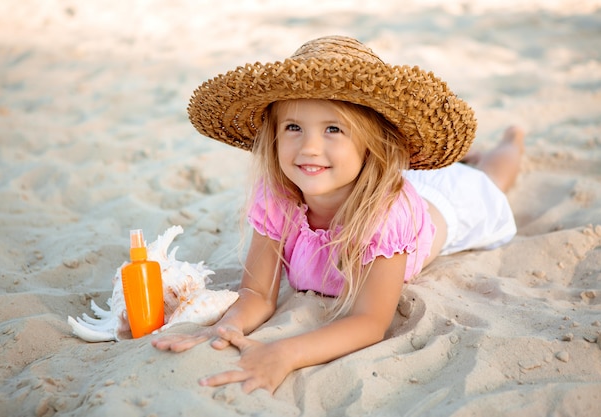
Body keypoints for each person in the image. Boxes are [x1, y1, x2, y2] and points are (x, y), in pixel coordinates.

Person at [151, 35, 524, 394]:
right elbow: (257, 294)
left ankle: (513, 141)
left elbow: (370, 321)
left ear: (370, 144)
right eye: (293, 128)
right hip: (364, 176)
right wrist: (224, 326)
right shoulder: (278, 197)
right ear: (275, 136)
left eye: (333, 129)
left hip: (442, 206)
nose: (310, 148)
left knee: (491, 179)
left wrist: (283, 353)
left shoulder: (388, 215)